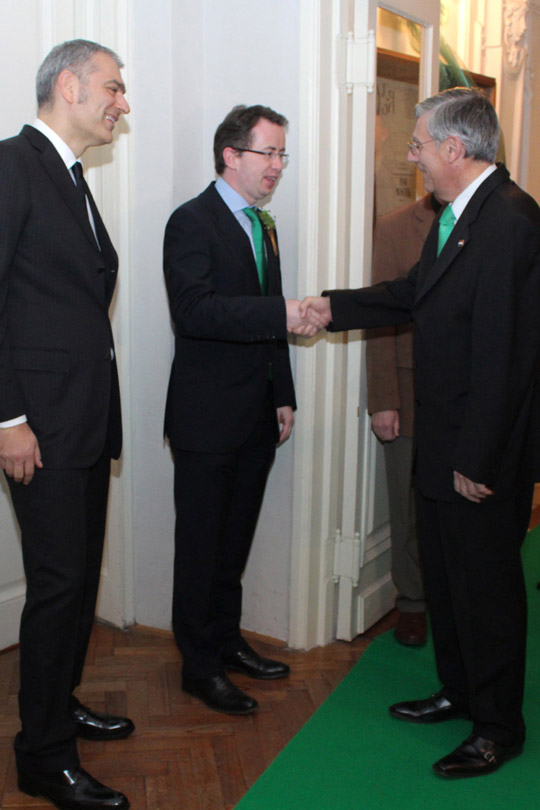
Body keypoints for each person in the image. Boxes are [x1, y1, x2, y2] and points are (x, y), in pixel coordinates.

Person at [299, 88, 540, 778]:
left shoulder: (512, 222)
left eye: (420, 145)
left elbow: (510, 355)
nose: (414, 158)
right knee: (445, 575)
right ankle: (459, 691)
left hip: (477, 452)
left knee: (488, 590)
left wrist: (478, 456)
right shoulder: (462, 215)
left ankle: (498, 727)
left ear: (455, 150)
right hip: (444, 438)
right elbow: (412, 293)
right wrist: (330, 306)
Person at [0, 40, 132, 809]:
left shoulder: (73, 178)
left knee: (77, 583)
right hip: (36, 429)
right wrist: (8, 418)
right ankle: (42, 756)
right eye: (114, 87)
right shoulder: (14, 165)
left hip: (83, 422)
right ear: (72, 85)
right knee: (57, 587)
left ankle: (62, 701)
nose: (122, 102)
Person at [163, 104, 320, 717]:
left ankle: (226, 642)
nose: (278, 166)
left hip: (257, 413)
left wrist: (283, 392)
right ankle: (198, 666)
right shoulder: (191, 222)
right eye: (269, 153)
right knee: (200, 548)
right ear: (231, 155)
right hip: (206, 419)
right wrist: (281, 310)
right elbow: (195, 312)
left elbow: (267, 322)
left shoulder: (264, 224)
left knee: (234, 544)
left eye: (283, 154)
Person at [366, 194, 438, 646]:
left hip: (473, 399)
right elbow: (380, 317)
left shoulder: (501, 222)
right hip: (410, 394)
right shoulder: (395, 228)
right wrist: (384, 398)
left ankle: (455, 597)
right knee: (407, 507)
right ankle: (412, 601)